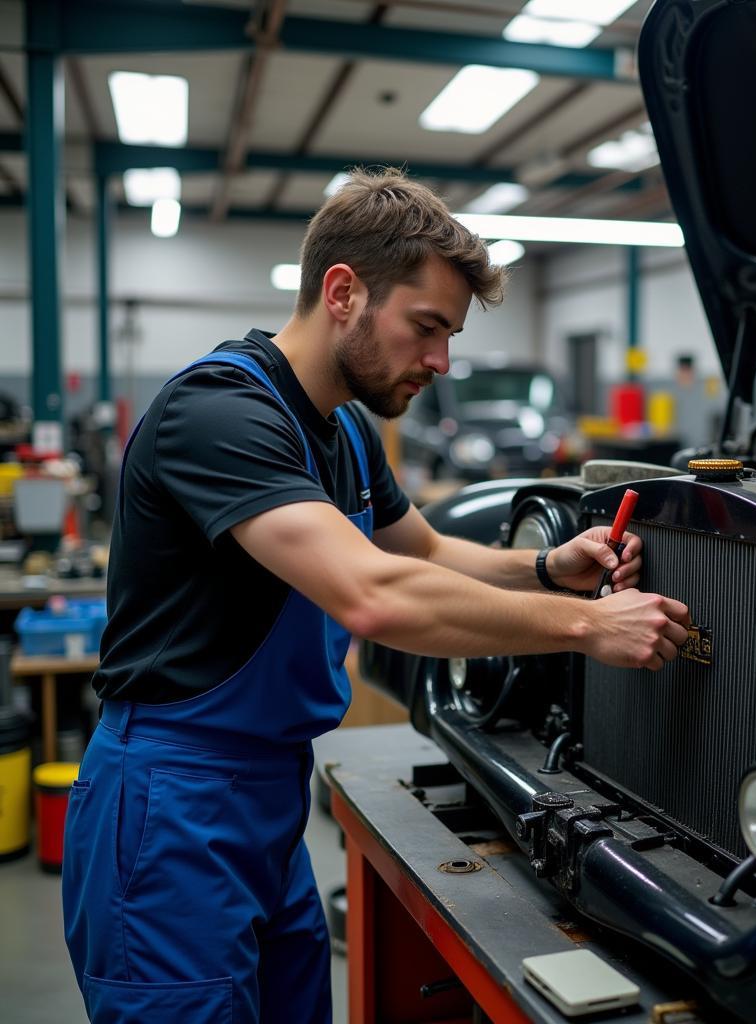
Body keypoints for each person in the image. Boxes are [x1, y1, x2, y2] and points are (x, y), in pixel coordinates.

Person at [61, 167, 691, 1024]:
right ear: (344, 291)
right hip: (172, 798)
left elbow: (421, 548)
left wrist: (547, 569)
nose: (440, 362)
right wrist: (586, 624)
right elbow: (375, 596)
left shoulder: (347, 427)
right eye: (426, 327)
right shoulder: (218, 412)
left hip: (269, 793)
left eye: (451, 335)